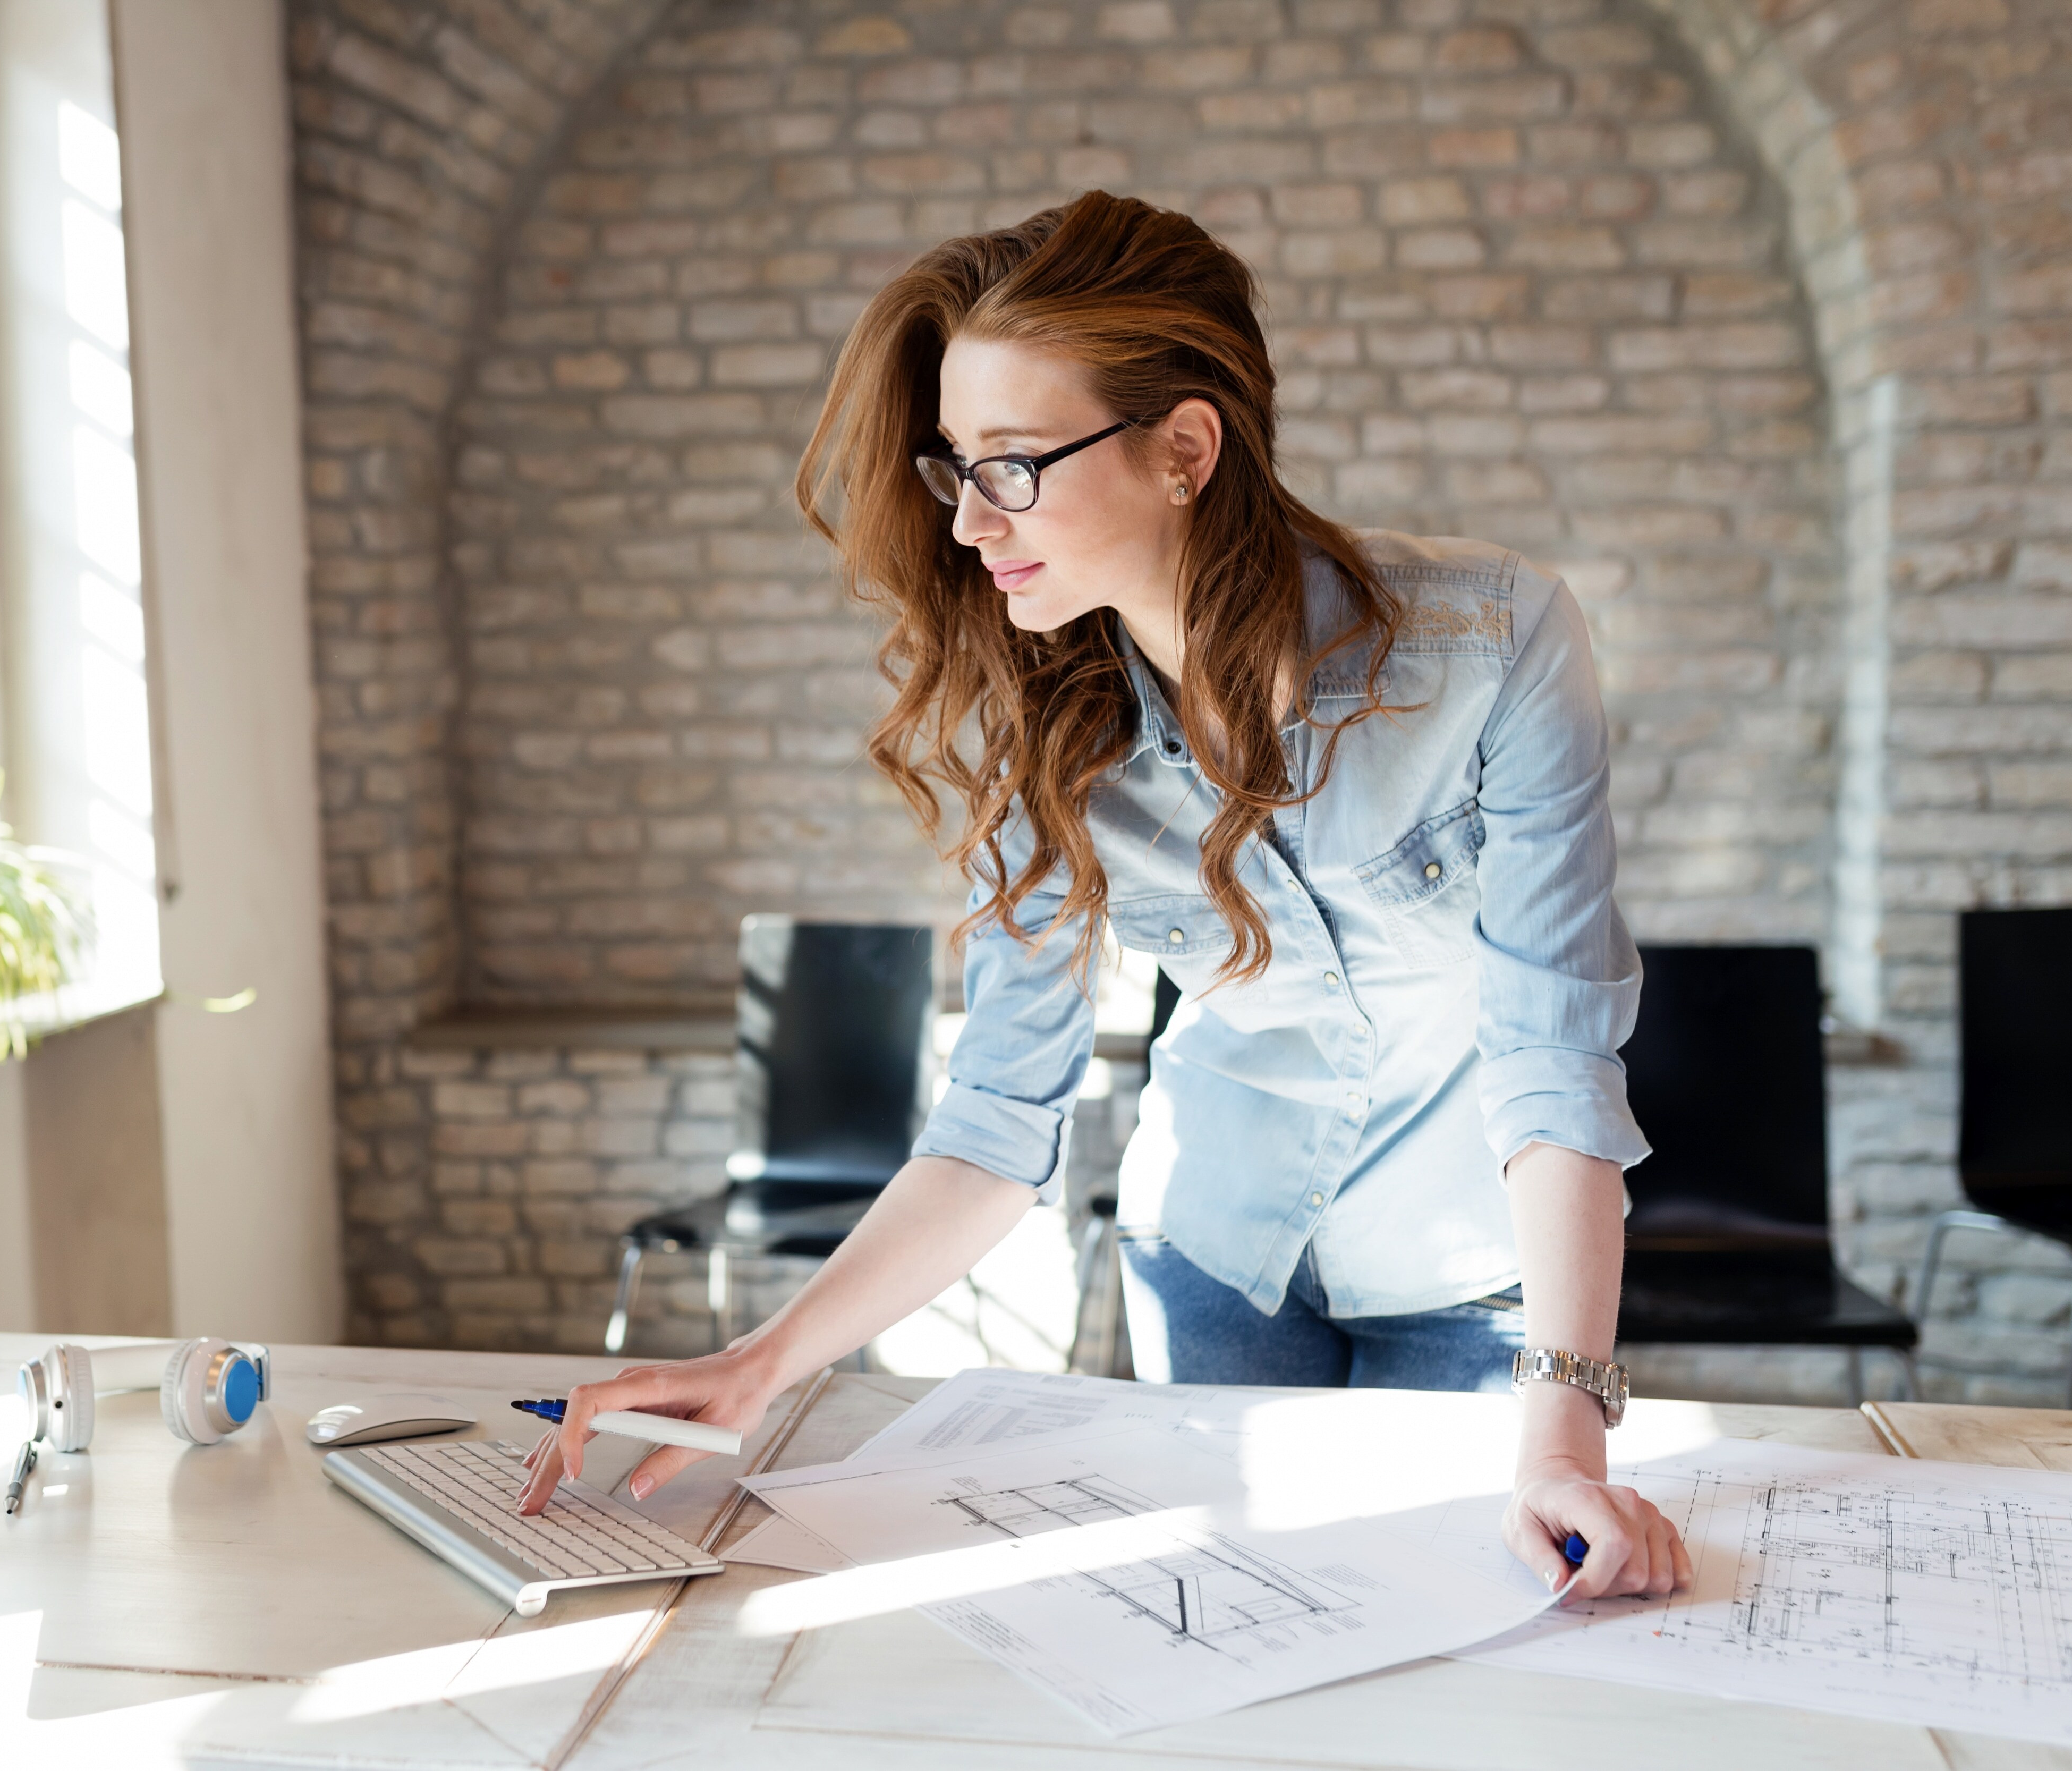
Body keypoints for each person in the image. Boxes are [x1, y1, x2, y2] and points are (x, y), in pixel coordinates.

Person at [517, 190, 1688, 1600]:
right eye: (958, 470)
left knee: (1475, 1629)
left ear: (1185, 448)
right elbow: (998, 1123)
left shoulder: (1497, 648)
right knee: (1249, 1626)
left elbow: (1554, 1062)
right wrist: (760, 1363)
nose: (969, 522)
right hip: (1210, 1256)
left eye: (1012, 466)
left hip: (1477, 1277)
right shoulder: (1043, 722)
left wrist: (1564, 1434)